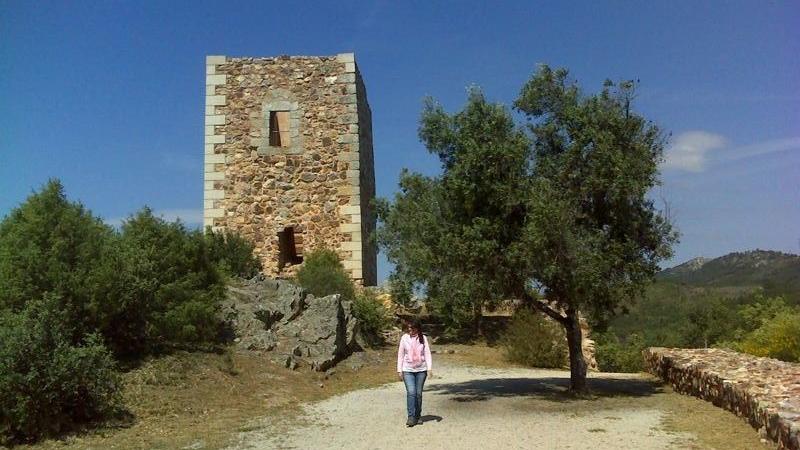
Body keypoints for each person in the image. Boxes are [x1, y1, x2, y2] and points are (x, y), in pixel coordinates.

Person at [397, 318, 432, 427]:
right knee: (411, 392)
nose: (410, 330)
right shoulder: (404, 338)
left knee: (418, 394)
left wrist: (429, 368)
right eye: (409, 328)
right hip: (408, 369)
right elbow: (401, 355)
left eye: (412, 328)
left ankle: (418, 415)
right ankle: (411, 417)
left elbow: (427, 354)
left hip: (421, 370)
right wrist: (399, 370)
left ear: (417, 328)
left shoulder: (423, 338)